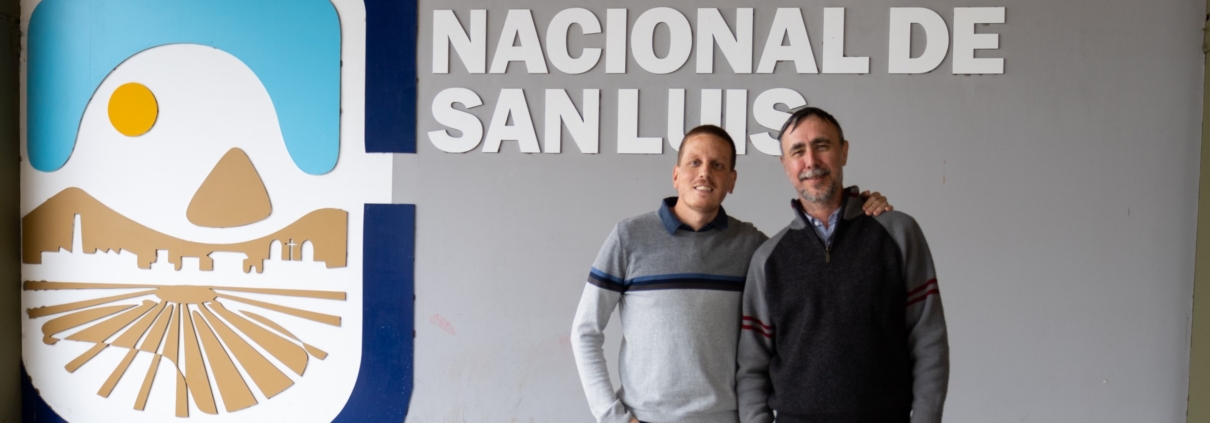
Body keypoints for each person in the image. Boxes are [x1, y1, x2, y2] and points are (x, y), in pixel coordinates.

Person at [571, 125, 892, 423]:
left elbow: (818, 267)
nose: (705, 173)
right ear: (676, 174)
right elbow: (585, 331)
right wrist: (613, 417)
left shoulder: (753, 246)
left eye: (718, 165)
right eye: (694, 162)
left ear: (732, 181)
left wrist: (855, 214)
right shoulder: (629, 238)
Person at [737, 107, 949, 423]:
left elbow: (928, 339)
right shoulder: (768, 259)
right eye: (798, 151)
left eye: (822, 145)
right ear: (785, 165)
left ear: (844, 152)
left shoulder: (897, 233)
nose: (811, 161)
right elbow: (752, 366)